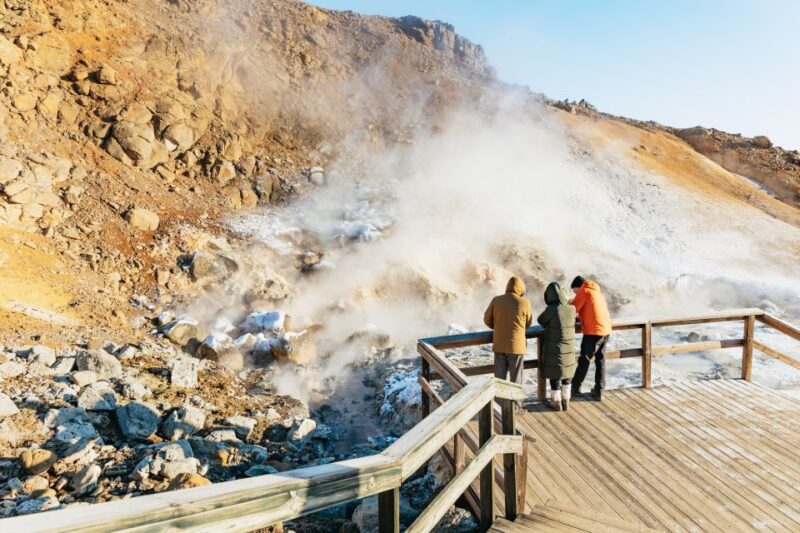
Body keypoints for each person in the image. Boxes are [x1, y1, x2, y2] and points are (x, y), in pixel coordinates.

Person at [484, 276, 533, 385]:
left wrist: (498, 327)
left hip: (499, 344)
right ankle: (515, 402)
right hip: (517, 347)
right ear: (520, 289)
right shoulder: (525, 303)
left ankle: (499, 402)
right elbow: (528, 323)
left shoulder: (496, 300)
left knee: (499, 381)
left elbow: (487, 319)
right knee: (516, 381)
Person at [570, 276, 612, 401]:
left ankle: (575, 388)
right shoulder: (597, 293)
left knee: (584, 359)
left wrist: (571, 302)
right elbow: (591, 310)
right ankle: (599, 391)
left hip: (593, 331)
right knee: (600, 360)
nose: (576, 294)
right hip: (605, 330)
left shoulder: (585, 291)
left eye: (575, 291)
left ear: (579, 287)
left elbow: (572, 310)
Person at [537, 282, 576, 411]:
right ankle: (566, 400)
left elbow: (541, 320)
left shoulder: (552, 309)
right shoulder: (571, 308)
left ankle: (556, 401)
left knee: (556, 373)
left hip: (555, 347)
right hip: (569, 347)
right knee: (567, 373)